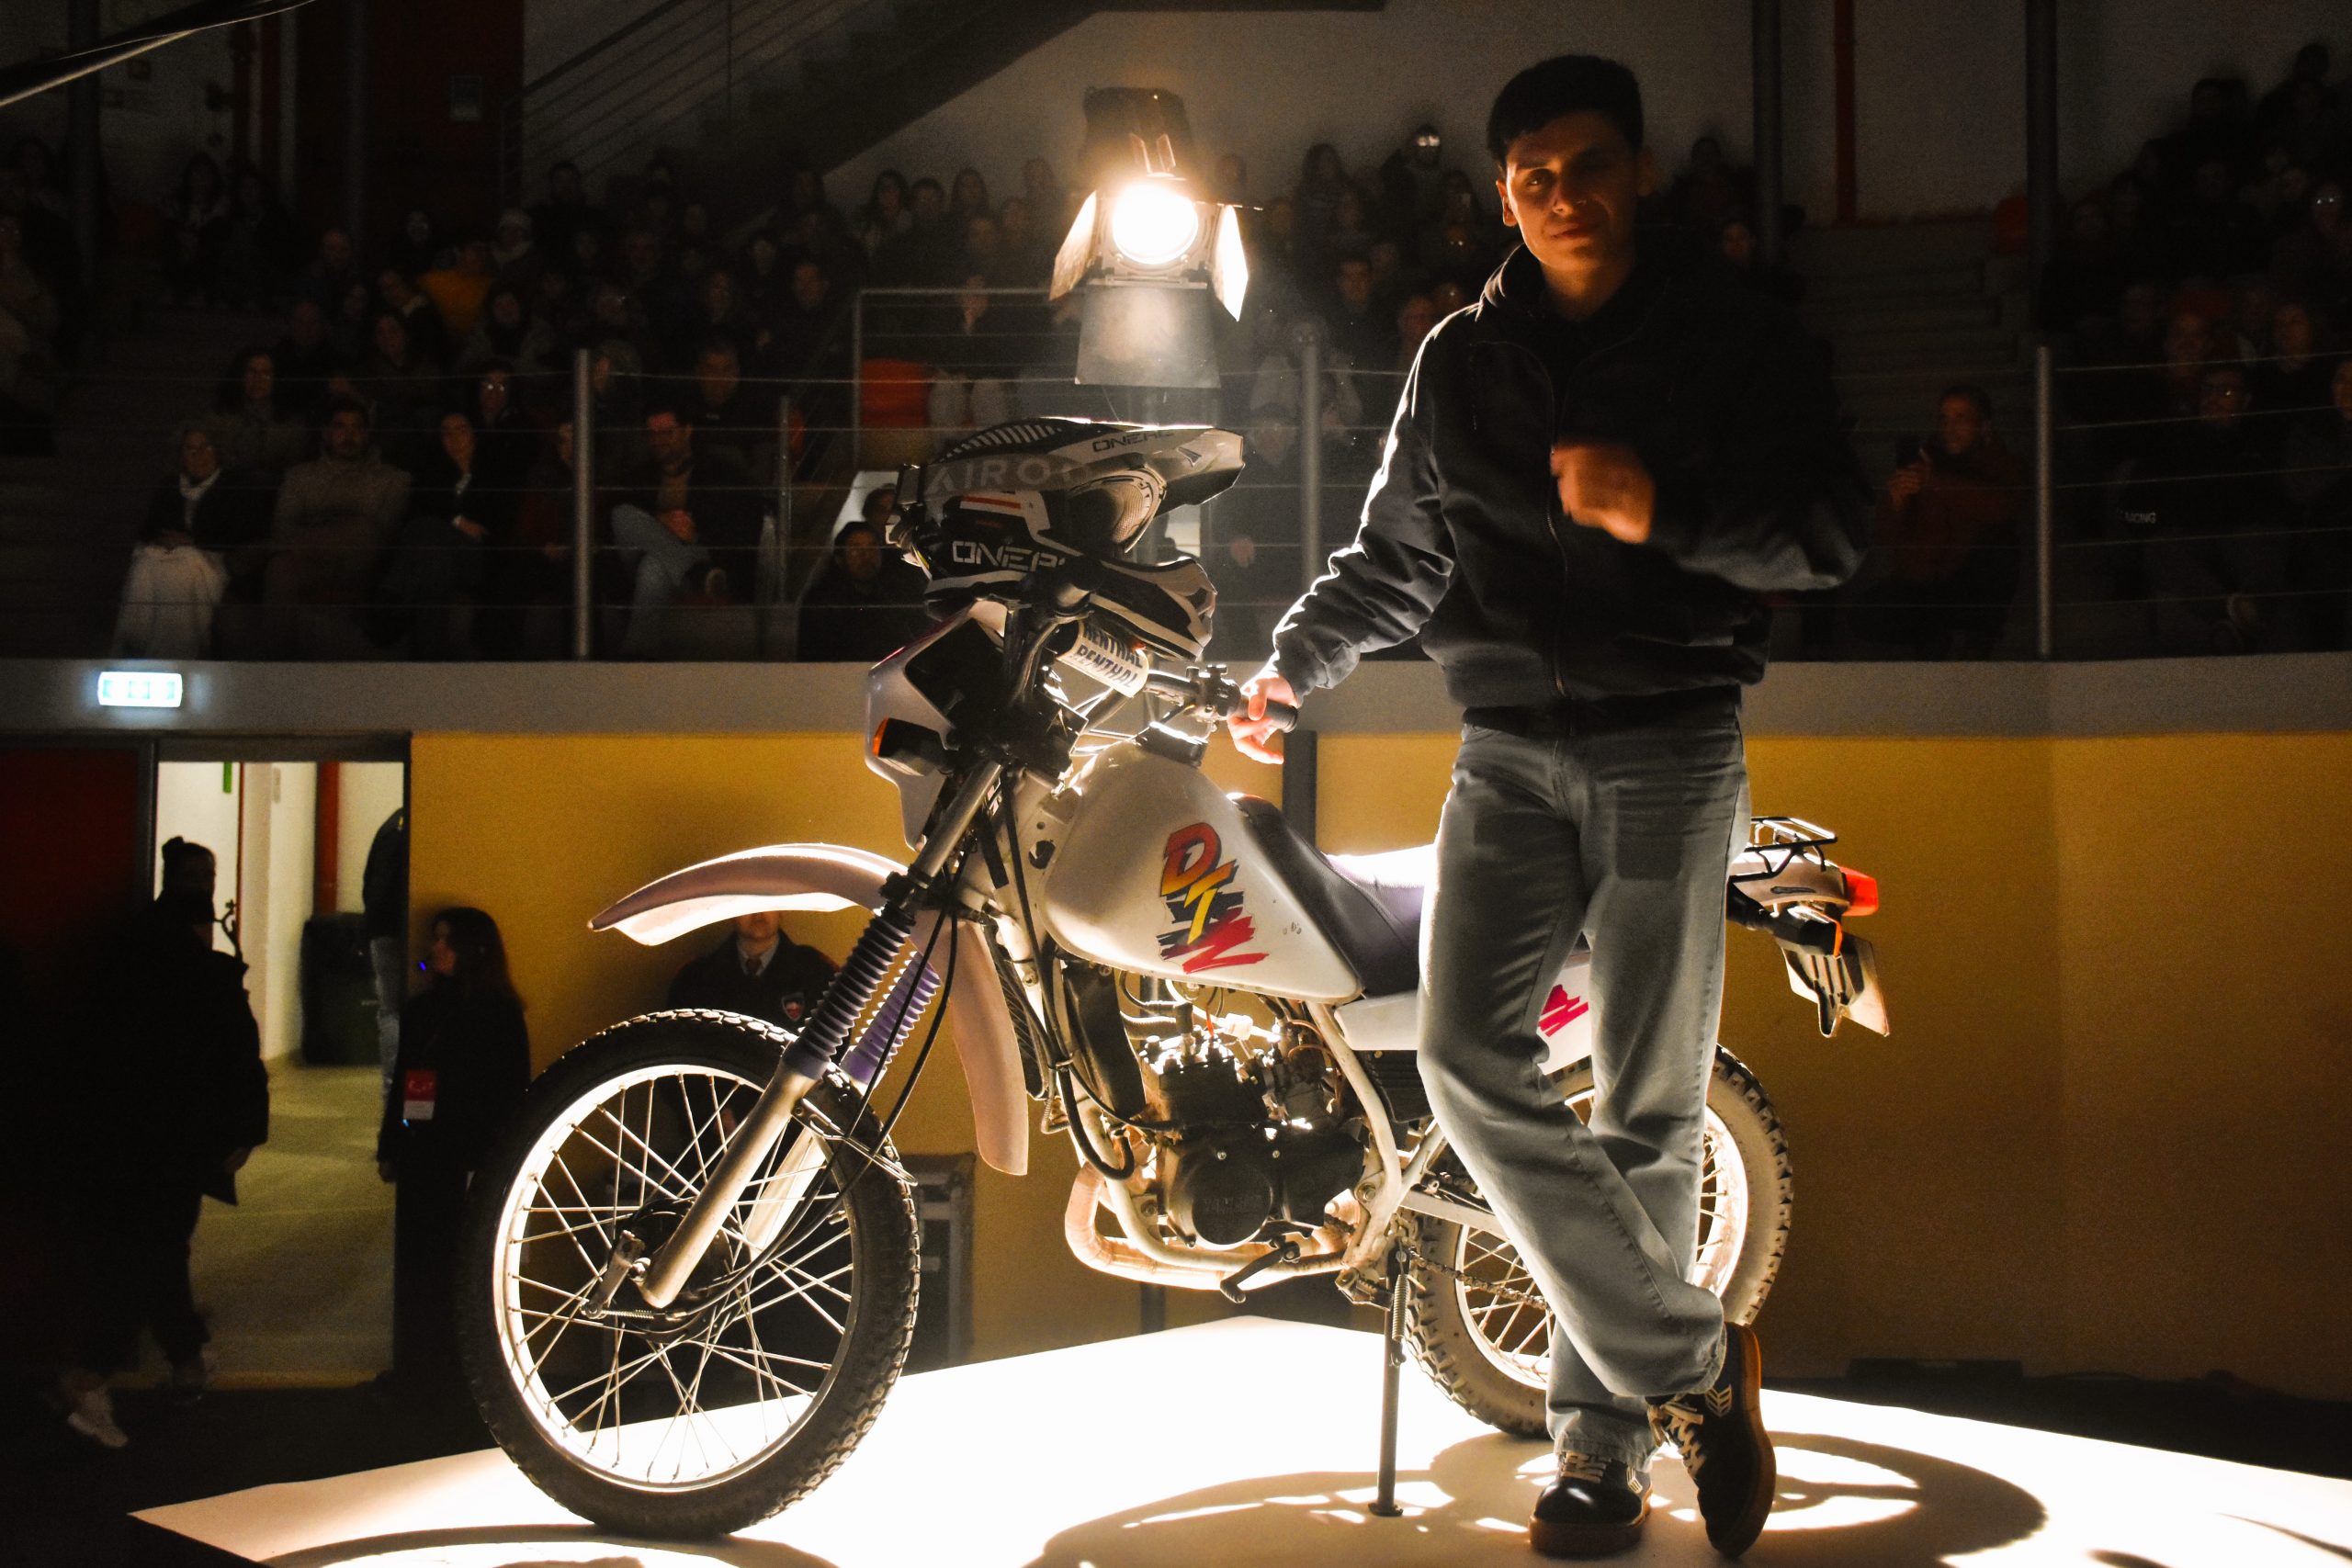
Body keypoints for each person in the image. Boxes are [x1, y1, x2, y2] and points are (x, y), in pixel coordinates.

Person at [1227, 56, 1866, 1560]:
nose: (1560, 195)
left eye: (1585, 166)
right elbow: (1400, 556)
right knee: (1463, 1059)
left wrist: (1664, 512)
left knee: (1646, 1105)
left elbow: (1832, 536)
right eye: (1531, 177)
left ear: (1638, 170)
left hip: (1672, 742)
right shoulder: (1462, 362)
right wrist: (1297, 659)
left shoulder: (1736, 340)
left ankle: (1595, 1450)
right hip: (1508, 752)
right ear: (1502, 196)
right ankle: (1696, 1361)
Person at [78, 840, 268, 1420]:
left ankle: (143, 1360)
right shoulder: (197, 967)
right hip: (175, 1132)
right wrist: (243, 1128)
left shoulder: (130, 951)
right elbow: (236, 1053)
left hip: (135, 1127)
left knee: (147, 1245)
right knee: (157, 1247)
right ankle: (109, 1368)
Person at [378, 908, 529, 1388]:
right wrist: (391, 1143)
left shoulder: (498, 1013)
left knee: (458, 1262)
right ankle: (419, 1367)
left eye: (446, 940)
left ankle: (451, 1371)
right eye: (435, 939)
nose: (435, 948)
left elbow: (510, 1093)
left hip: (465, 1154)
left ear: (473, 949)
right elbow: (406, 1081)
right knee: (420, 1259)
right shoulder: (425, 1009)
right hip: (425, 1150)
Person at [1855, 385, 2029, 659]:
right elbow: (1888, 538)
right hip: (1923, 584)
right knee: (1865, 613)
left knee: (2002, 550)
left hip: (1967, 583)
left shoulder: (2001, 463)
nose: (1950, 427)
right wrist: (1897, 501)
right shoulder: (1924, 461)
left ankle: (1970, 639)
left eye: (1961, 418)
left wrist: (1935, 481)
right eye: (1944, 418)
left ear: (1984, 426)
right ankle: (1933, 636)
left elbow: (2002, 507)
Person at [264, 396, 413, 658]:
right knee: (280, 567)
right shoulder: (299, 477)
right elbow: (282, 529)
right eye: (340, 427)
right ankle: (277, 667)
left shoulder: (393, 479)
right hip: (310, 566)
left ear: (367, 434)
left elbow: (382, 537)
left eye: (357, 427)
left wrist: (326, 526)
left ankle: (257, 551)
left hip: (363, 566)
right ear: (326, 433)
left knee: (361, 530)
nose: (349, 435)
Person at [609, 403, 761, 657]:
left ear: (687, 430)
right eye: (652, 434)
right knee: (622, 514)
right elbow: (620, 525)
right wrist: (660, 521)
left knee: (653, 566)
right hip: (695, 572)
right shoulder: (639, 477)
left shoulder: (719, 473)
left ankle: (638, 655)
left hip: (699, 554)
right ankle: (694, 573)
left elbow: (740, 527)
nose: (658, 440)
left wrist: (695, 535)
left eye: (666, 433)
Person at [112, 426, 271, 658]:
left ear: (217, 450)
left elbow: (241, 532)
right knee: (144, 565)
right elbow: (148, 529)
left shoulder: (235, 485)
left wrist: (193, 541)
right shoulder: (169, 486)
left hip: (212, 559)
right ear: (181, 455)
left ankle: (177, 652)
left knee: (184, 567)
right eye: (191, 449)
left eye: (206, 447)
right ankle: (135, 647)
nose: (199, 455)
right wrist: (164, 540)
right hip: (167, 555)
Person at [795, 511, 931, 662]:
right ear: (840, 559)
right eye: (855, 550)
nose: (866, 556)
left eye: (872, 548)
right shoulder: (824, 603)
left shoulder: (897, 593)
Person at [668, 911, 838, 1028]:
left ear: (782, 908)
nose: (758, 912)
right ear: (729, 910)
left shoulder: (818, 973)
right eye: (747, 903)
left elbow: (833, 1051)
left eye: (768, 899)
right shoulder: (694, 979)